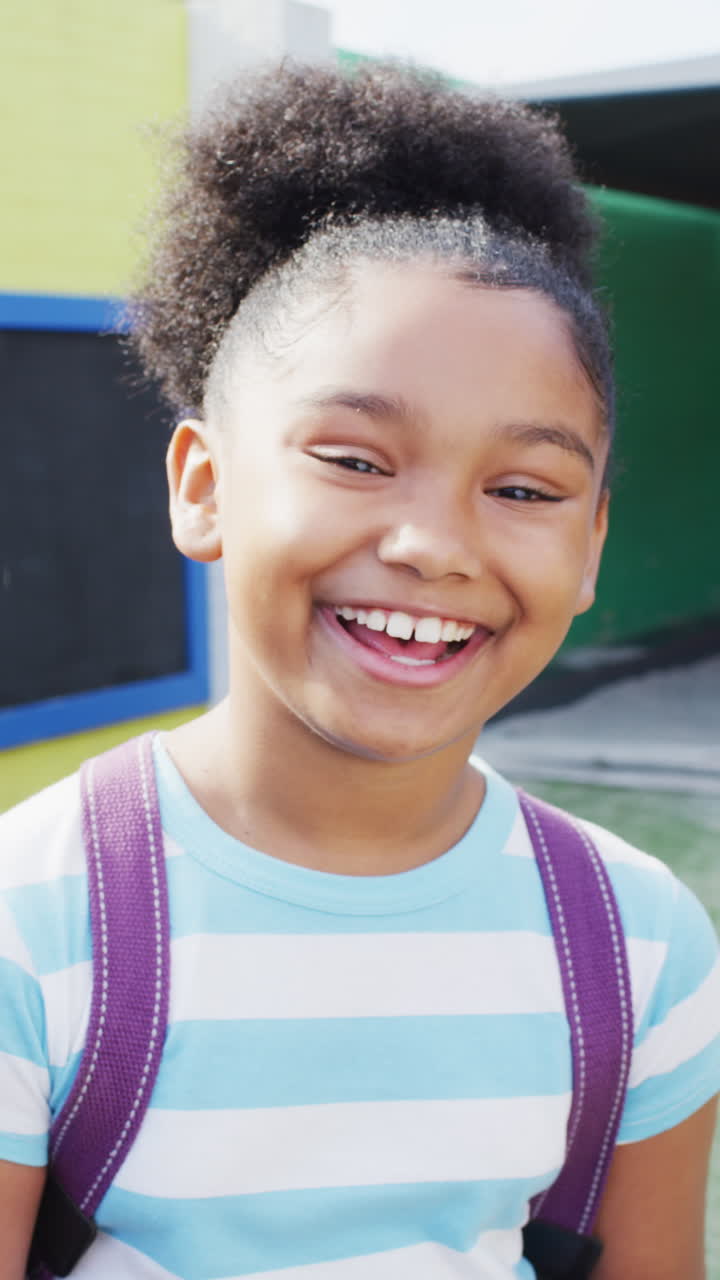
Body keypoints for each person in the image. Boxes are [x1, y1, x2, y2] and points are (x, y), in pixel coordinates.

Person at [1, 62, 719, 1280]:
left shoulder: (636, 937)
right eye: (354, 456)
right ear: (205, 483)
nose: (434, 545)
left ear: (593, 543)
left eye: (523, 488)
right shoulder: (38, 920)